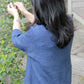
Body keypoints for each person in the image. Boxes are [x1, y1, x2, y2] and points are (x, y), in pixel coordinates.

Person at [7, 0, 74, 84]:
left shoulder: (35, 35)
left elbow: (16, 38)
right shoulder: (68, 22)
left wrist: (16, 16)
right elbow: (47, 25)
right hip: (63, 79)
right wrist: (25, 12)